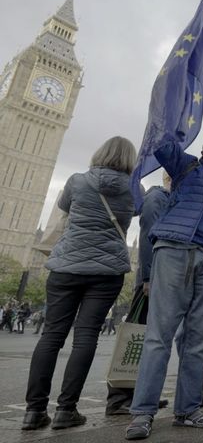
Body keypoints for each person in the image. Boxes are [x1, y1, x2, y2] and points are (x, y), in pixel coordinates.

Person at [126, 129, 203, 440]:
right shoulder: (185, 167)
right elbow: (162, 144)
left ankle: (187, 410)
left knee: (199, 341)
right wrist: (178, 120)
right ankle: (142, 412)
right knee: (159, 336)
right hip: (174, 249)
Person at [22, 136, 137, 431]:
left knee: (51, 336)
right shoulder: (134, 187)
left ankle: (34, 411)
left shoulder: (77, 180)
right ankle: (66, 410)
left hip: (66, 266)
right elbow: (138, 210)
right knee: (86, 338)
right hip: (107, 271)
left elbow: (64, 206)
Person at [105, 170, 172, 417]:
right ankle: (118, 399)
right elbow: (147, 239)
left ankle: (140, 394)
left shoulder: (170, 200)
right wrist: (147, 277)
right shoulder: (157, 198)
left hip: (160, 280)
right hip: (149, 281)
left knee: (148, 340)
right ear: (168, 177)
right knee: (135, 337)